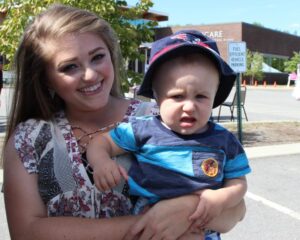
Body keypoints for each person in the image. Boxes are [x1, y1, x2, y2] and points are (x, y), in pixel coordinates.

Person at [2, 4, 246, 240]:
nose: (90, 74)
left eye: (97, 57)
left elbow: (236, 210)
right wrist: (157, 222)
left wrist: (190, 207)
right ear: (45, 78)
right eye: (69, 67)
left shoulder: (161, 116)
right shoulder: (29, 139)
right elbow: (26, 233)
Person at [87, 30, 251, 239]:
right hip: (151, 218)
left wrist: (222, 197)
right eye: (177, 96)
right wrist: (101, 162)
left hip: (204, 225)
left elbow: (238, 182)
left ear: (215, 96)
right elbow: (101, 142)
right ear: (157, 96)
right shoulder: (143, 129)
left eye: (201, 96)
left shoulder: (224, 140)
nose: (189, 106)